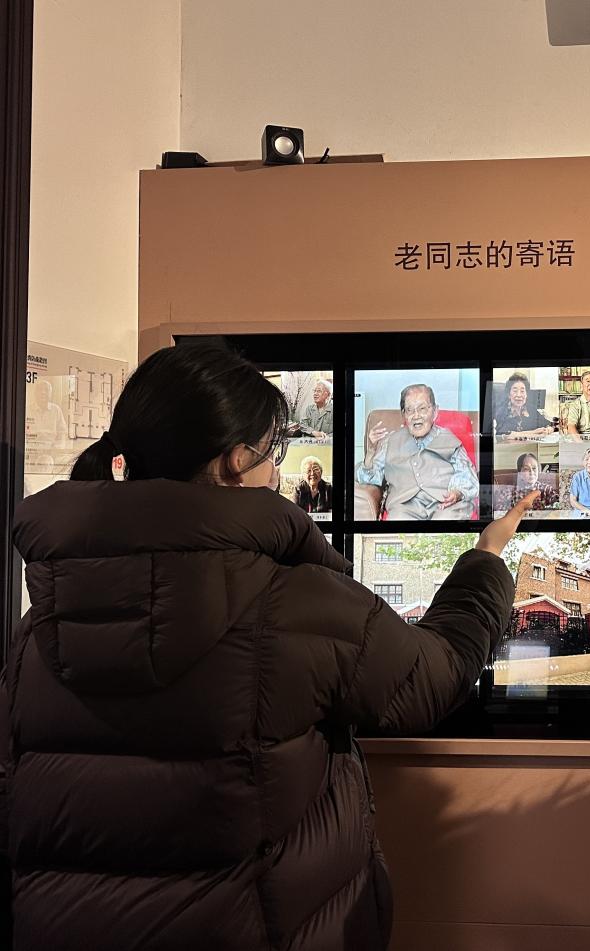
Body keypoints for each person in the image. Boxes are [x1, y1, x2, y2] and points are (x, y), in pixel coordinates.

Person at [1, 342, 539, 951]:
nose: (278, 471)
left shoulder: (37, 626)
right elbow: (431, 678)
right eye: (273, 451)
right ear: (237, 463)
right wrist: (486, 558)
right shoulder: (296, 602)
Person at [356, 383, 479, 520]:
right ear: (403, 414)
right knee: (398, 518)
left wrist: (457, 493)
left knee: (447, 520)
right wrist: (372, 450)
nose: (416, 416)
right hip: (404, 506)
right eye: (409, 410)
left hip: (446, 504)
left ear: (435, 411)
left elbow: (467, 475)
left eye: (422, 408)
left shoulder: (449, 439)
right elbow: (368, 478)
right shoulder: (390, 441)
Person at [494, 372, 555, 440]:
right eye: (515, 391)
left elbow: (549, 424)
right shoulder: (502, 411)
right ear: (509, 394)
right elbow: (505, 435)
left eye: (522, 391)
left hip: (530, 446)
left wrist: (549, 429)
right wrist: (535, 432)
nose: (519, 395)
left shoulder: (531, 409)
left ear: (526, 394)